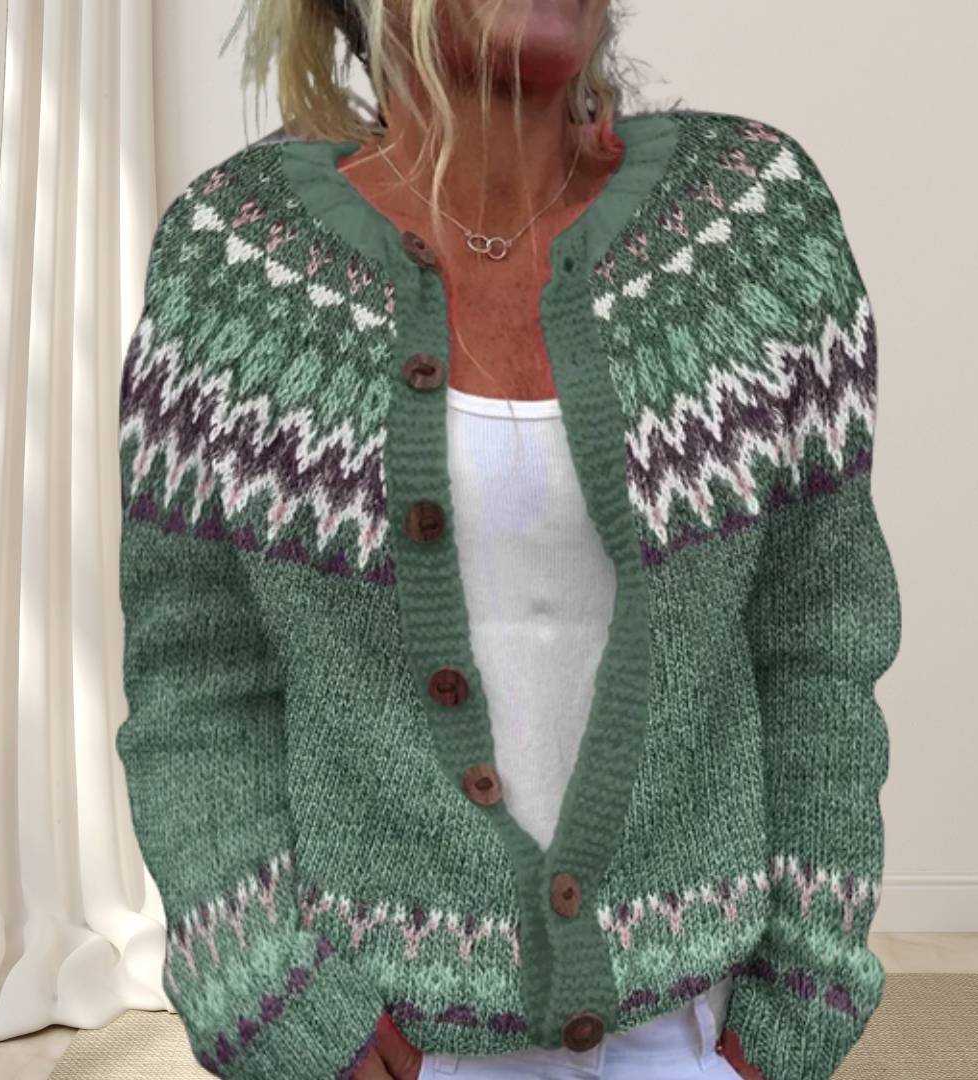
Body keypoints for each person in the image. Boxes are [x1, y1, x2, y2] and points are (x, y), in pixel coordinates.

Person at [115, 1, 901, 1079]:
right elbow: (198, 683)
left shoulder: (751, 224)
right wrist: (269, 1000)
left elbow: (819, 643)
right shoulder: (236, 262)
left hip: (695, 1034)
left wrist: (796, 1008)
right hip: (381, 1032)